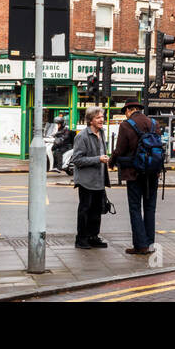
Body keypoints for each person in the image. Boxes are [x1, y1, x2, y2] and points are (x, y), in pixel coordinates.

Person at [110, 98, 163, 255]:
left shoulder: (126, 125)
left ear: (128, 110)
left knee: (135, 208)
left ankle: (141, 245)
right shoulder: (154, 123)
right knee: (150, 208)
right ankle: (150, 243)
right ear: (138, 109)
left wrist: (111, 162)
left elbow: (120, 149)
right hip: (153, 172)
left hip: (134, 173)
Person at [69, 106, 110, 249]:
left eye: (102, 117)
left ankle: (93, 237)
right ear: (90, 120)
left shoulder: (102, 133)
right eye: (98, 117)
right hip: (86, 181)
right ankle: (81, 239)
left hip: (99, 179)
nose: (102, 120)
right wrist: (98, 159)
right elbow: (77, 160)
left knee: (97, 210)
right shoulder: (82, 136)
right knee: (85, 210)